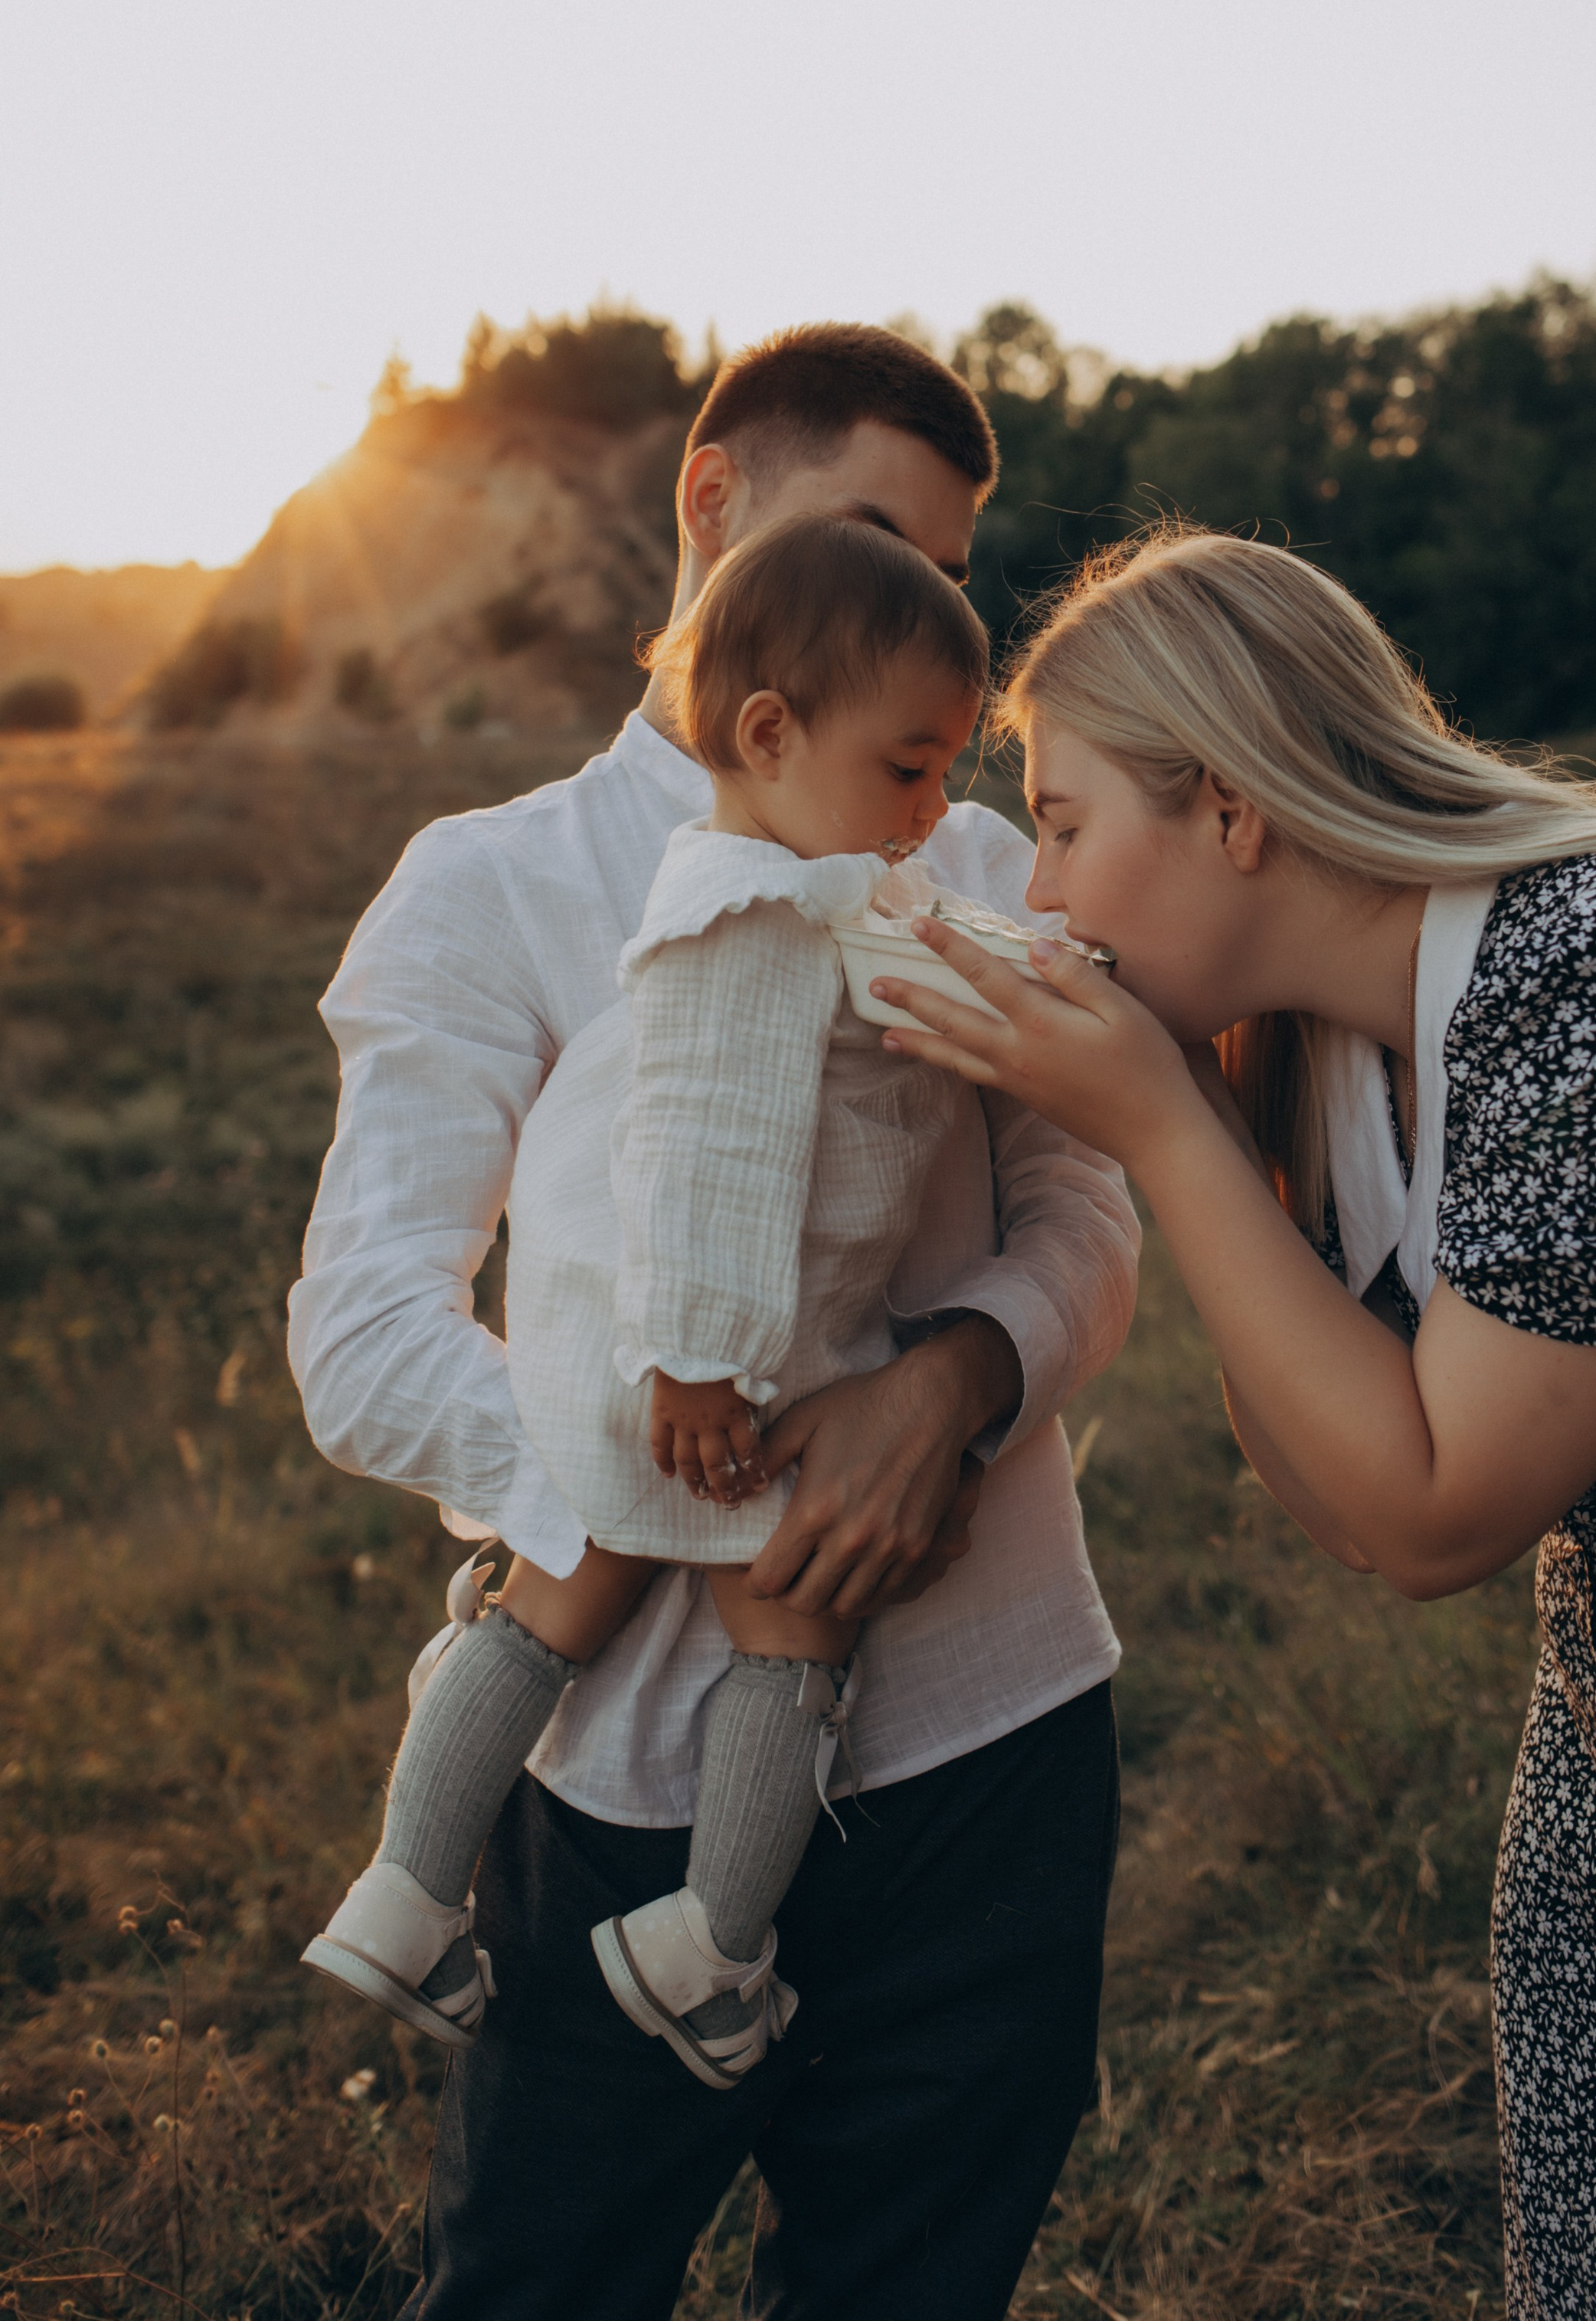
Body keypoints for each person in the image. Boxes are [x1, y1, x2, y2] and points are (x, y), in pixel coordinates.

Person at [872, 525, 1596, 2321]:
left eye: (1062, 826)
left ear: (1229, 809)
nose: (1043, 898)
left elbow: (1438, 1512)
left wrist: (1155, 1132)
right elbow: (1341, 1505)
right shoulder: (1339, 1049)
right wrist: (1209, 1138)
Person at [289, 328, 1139, 2321]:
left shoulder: (981, 858)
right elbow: (361, 1331)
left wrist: (966, 1374)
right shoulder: (483, 887)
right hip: (619, 1792)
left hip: (994, 1751)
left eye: (948, 578)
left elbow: (1088, 1210)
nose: (919, 617)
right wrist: (629, 1486)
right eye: (870, 543)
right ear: (712, 503)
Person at [305, 516, 1048, 2090]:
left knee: (543, 1612)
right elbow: (709, 1154)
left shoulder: (782, 875)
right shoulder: (749, 923)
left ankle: (403, 1890)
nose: (933, 811)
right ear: (770, 733)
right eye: (909, 770)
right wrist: (701, 1369)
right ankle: (704, 1944)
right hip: (704, 1383)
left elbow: (927, 934)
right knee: (796, 1634)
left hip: (612, 1369)